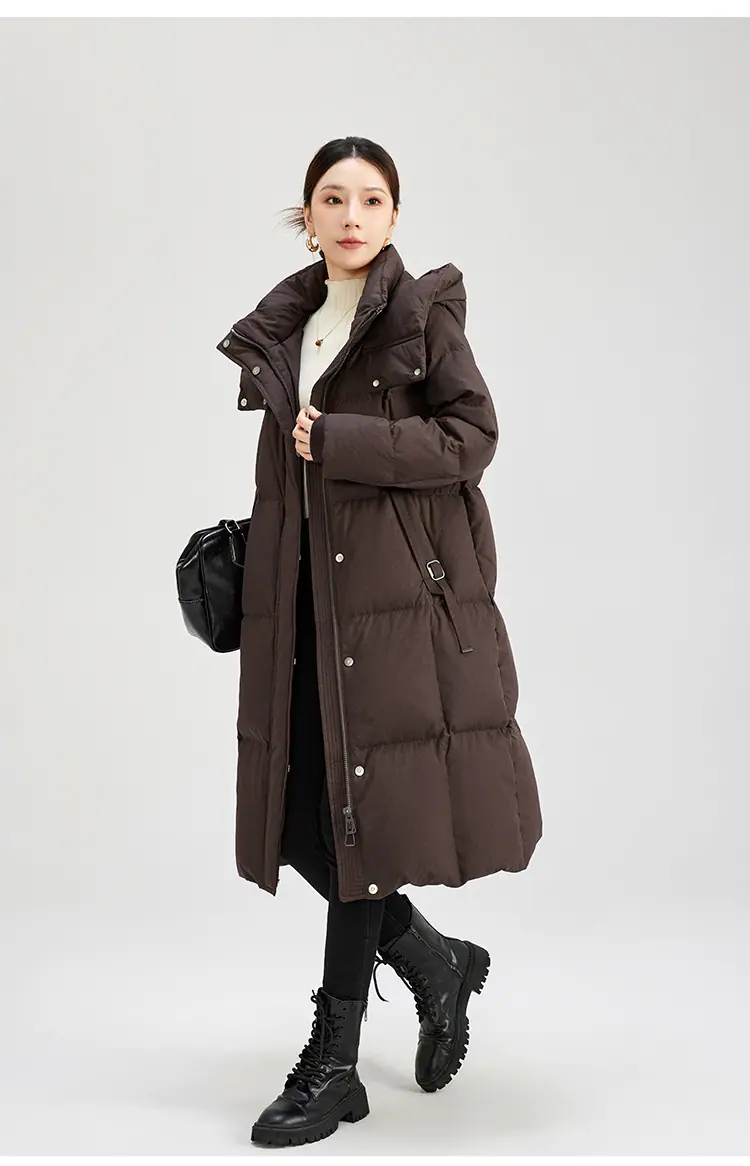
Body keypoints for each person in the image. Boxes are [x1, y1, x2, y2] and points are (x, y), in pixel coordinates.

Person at [216, 136, 543, 1149]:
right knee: (304, 820)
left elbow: (472, 438)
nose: (352, 215)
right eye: (333, 198)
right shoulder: (291, 327)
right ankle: (437, 961)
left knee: (354, 826)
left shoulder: (419, 315)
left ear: (394, 216)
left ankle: (334, 1062)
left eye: (370, 199)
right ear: (306, 217)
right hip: (305, 605)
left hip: (396, 611)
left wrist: (345, 440)